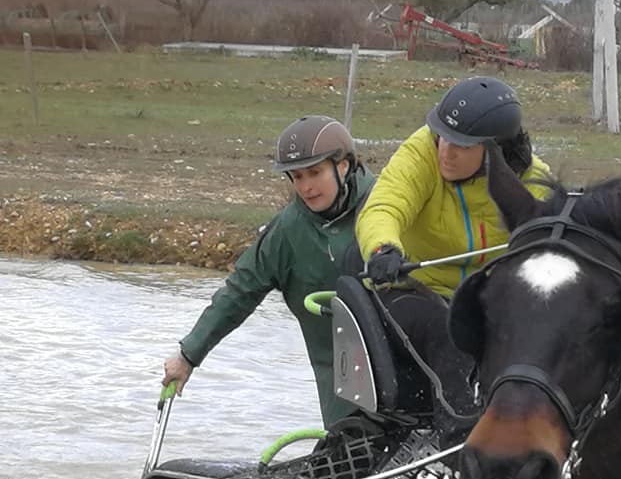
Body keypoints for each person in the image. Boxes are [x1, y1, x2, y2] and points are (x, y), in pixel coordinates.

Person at [354, 76, 551, 438]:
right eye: (442, 135)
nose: (446, 150)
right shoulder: (421, 152)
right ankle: (457, 439)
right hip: (407, 290)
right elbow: (384, 206)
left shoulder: (534, 181)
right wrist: (383, 247)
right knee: (450, 330)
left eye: (461, 144)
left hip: (483, 301)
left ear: (495, 149)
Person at [162, 115, 375, 426]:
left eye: (315, 173)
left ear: (343, 166)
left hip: (405, 362)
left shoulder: (385, 204)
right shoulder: (287, 231)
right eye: (297, 176)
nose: (306, 187)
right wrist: (188, 355)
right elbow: (240, 291)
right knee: (353, 449)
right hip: (338, 379)